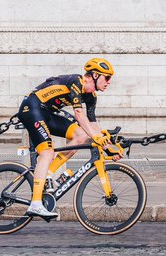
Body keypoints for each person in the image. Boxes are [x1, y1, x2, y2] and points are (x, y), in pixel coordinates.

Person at [17, 57, 116, 221]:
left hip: (47, 113)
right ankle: (35, 203)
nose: (109, 82)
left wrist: (108, 148)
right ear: (95, 75)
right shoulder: (77, 82)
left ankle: (48, 173)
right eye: (107, 78)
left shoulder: (91, 96)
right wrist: (97, 137)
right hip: (31, 109)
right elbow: (79, 115)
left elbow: (92, 126)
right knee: (47, 153)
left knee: (81, 135)